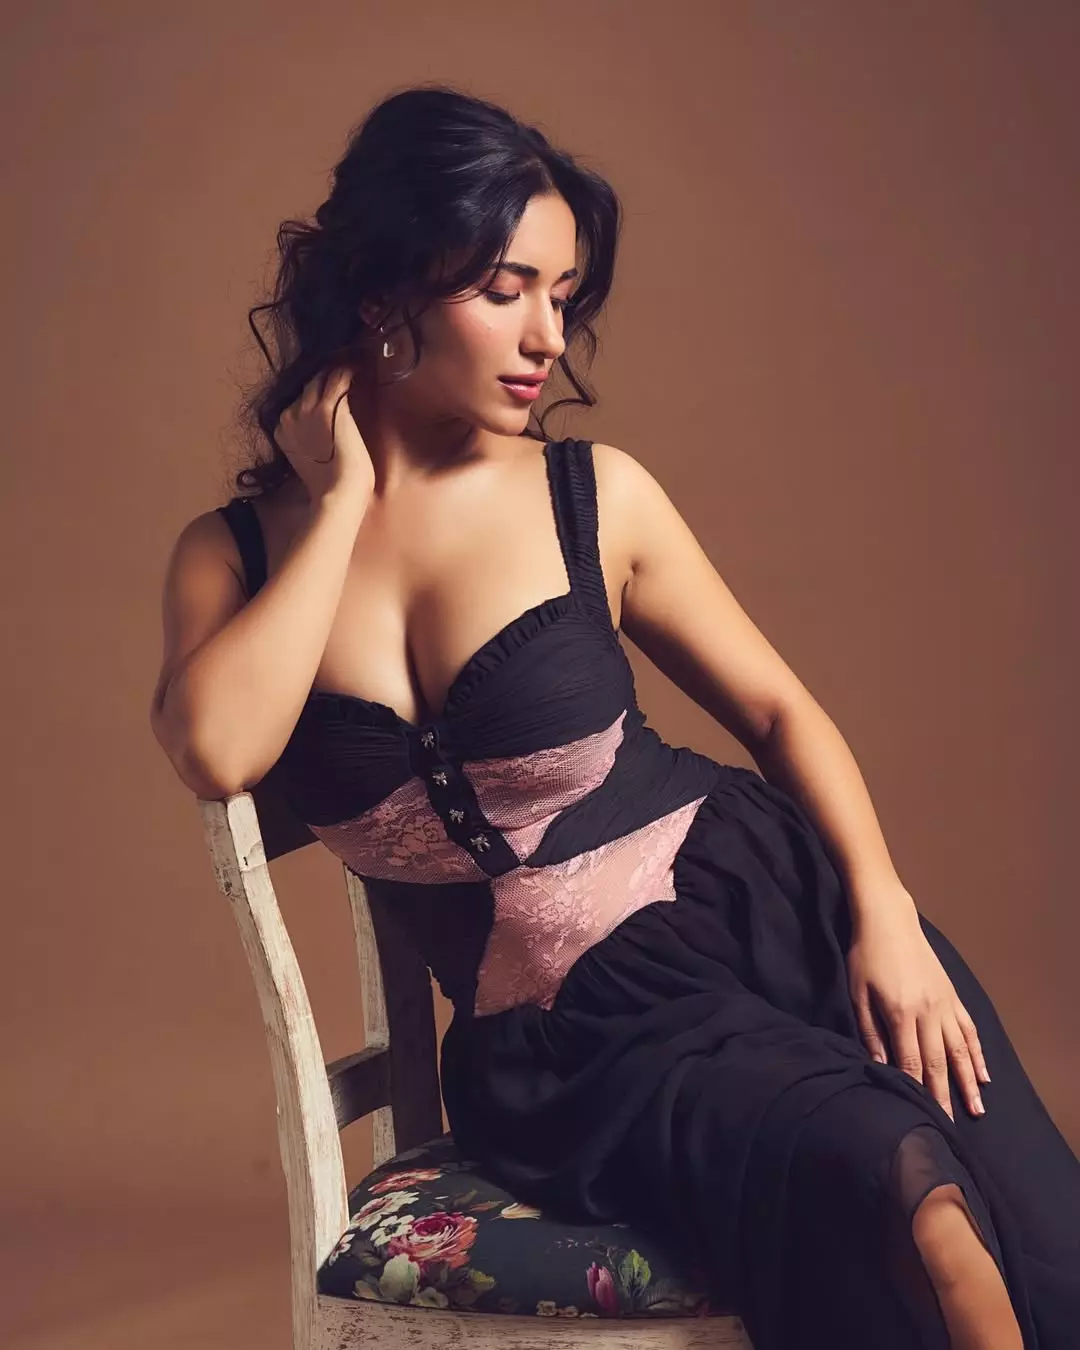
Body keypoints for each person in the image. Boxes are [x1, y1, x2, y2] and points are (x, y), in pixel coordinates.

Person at [149, 84, 1079, 1349]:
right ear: (383, 297)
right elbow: (217, 749)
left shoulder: (597, 496)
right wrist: (339, 503)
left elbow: (779, 710)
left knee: (1036, 1240)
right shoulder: (236, 557)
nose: (549, 336)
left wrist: (885, 914)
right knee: (896, 1182)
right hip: (574, 1049)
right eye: (506, 290)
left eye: (564, 294)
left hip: (778, 911)